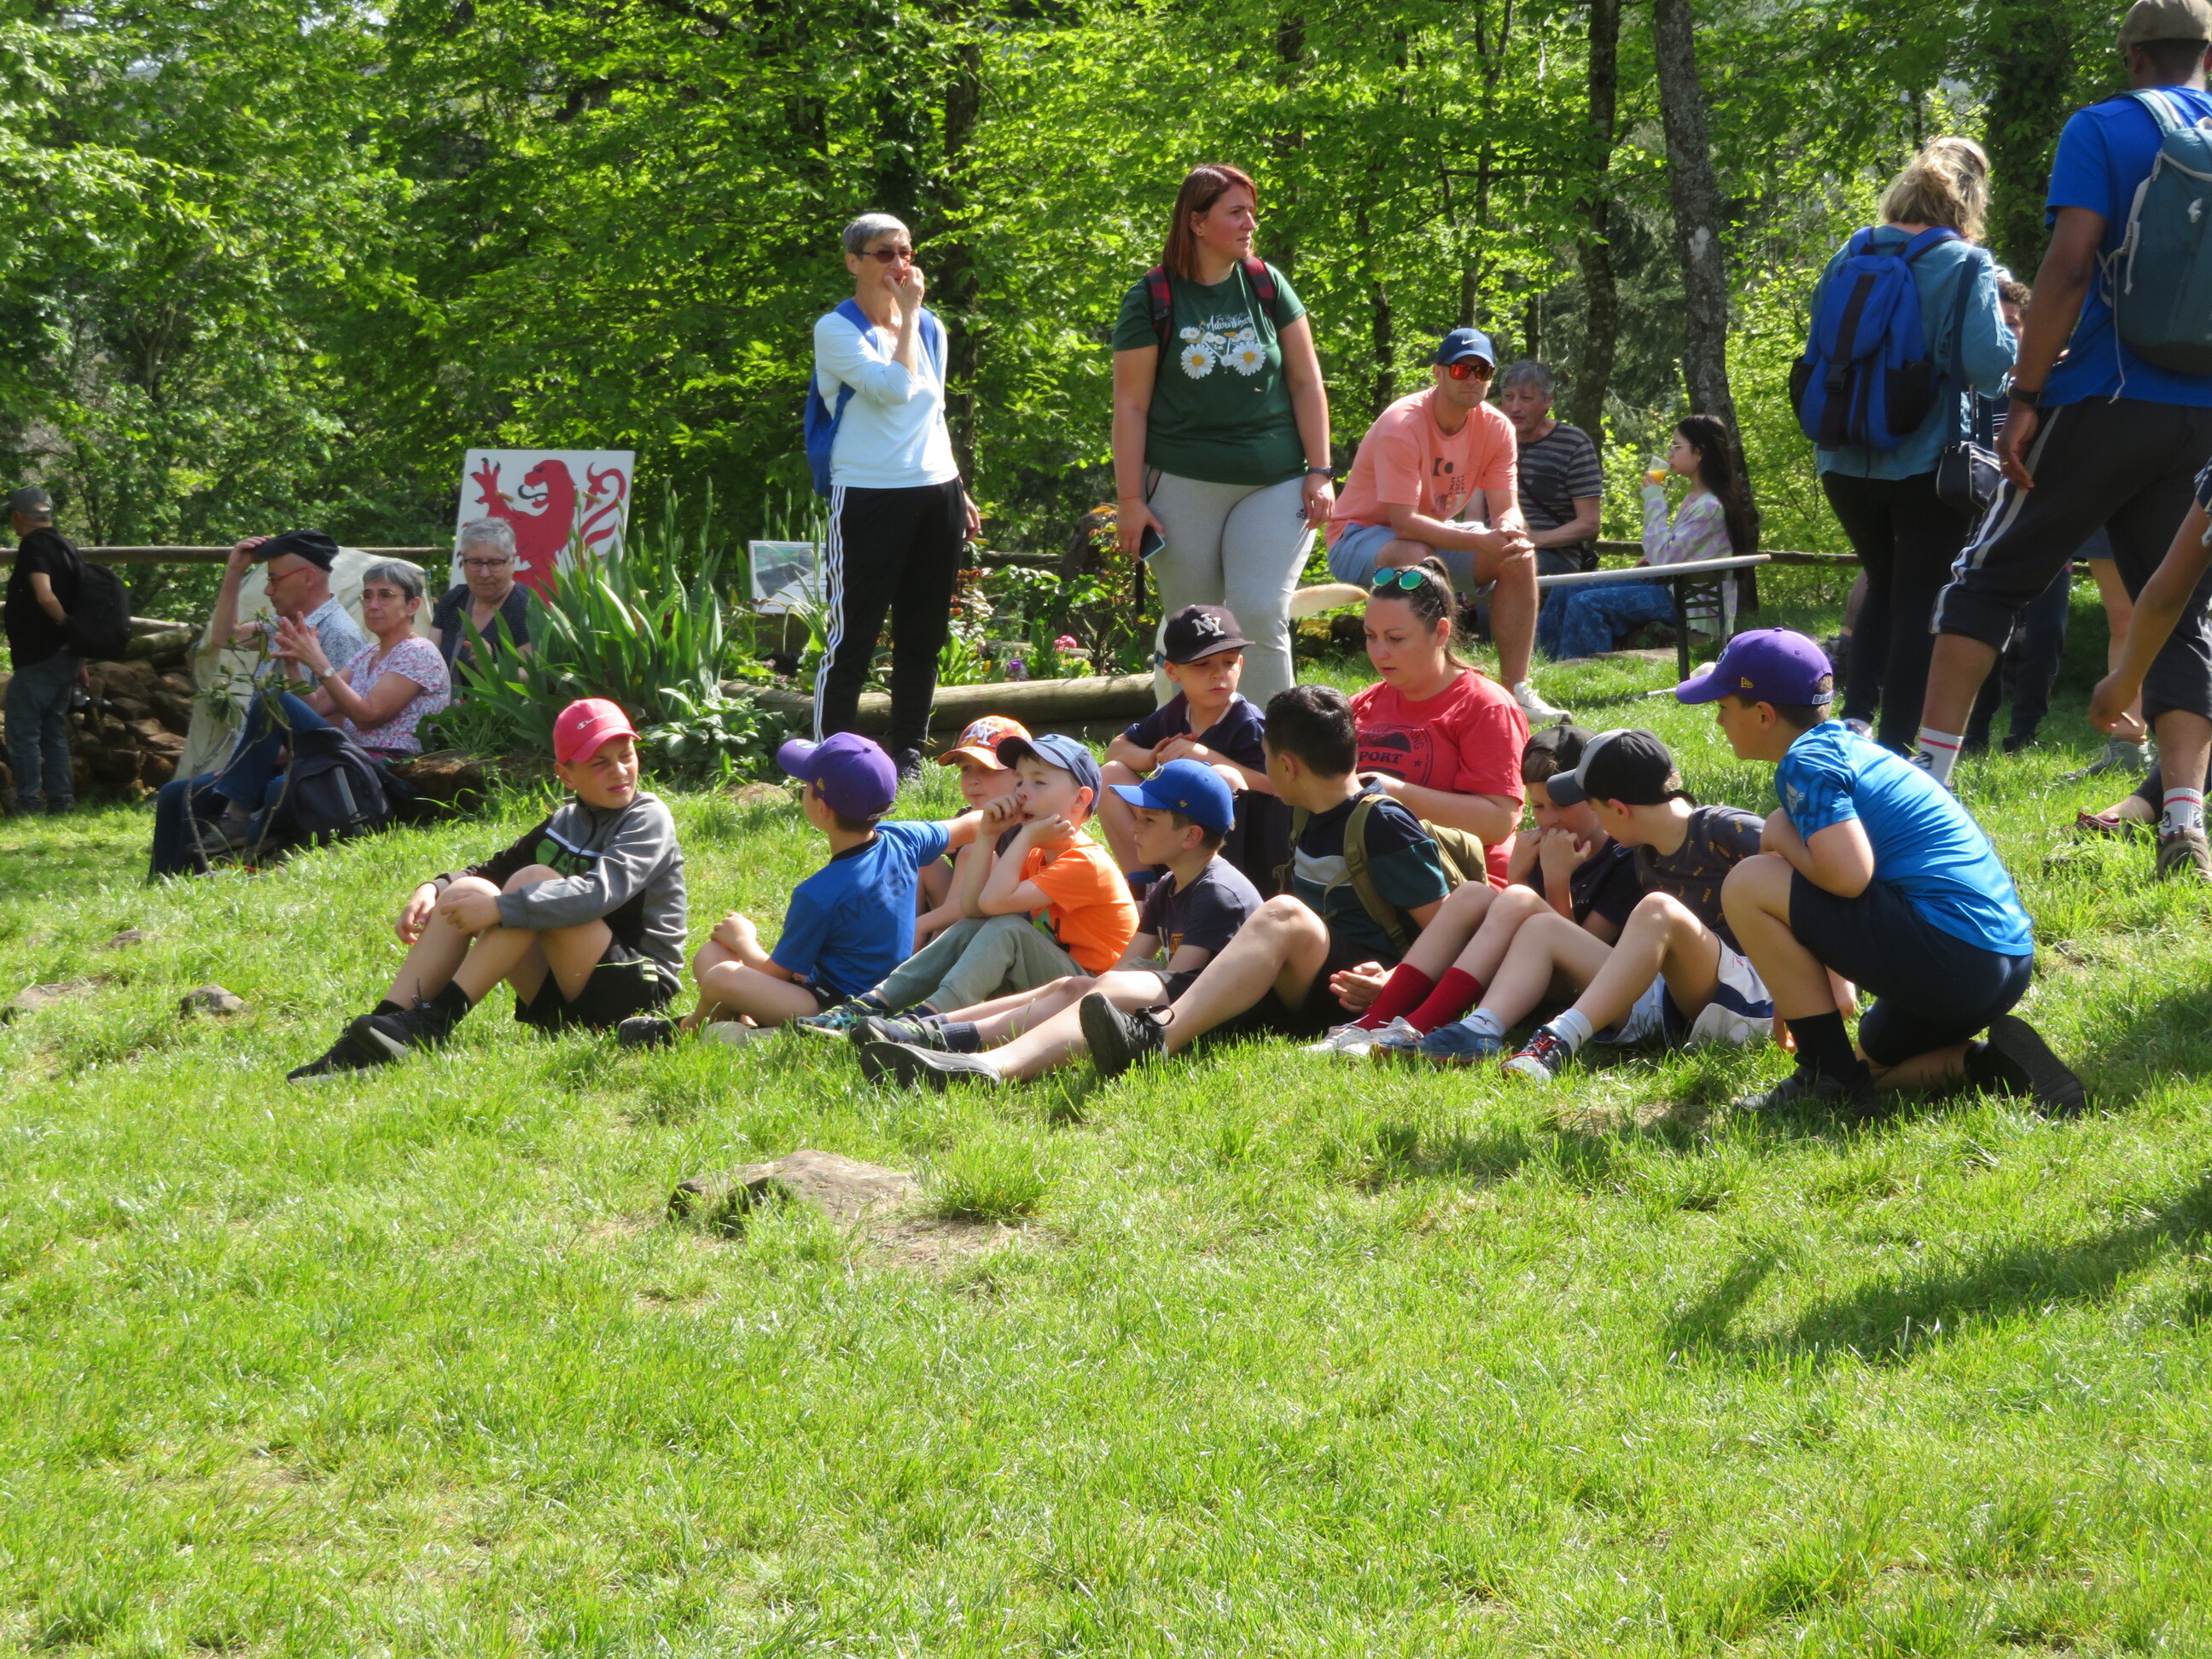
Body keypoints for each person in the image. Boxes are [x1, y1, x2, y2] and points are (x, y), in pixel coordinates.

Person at [1916, 1, 2212, 883]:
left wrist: (2025, 395)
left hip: (2102, 398)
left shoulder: (2104, 129)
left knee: (1986, 578)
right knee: (2183, 611)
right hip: (2201, 417)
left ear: (2132, 56)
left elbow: (2071, 262)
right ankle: (2185, 820)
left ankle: (1925, 794)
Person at [1699, 631, 2085, 1115]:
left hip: (1953, 955)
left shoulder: (1806, 761)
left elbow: (1848, 876)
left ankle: (1823, 1075)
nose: (1718, 719)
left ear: (1762, 715)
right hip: (2001, 960)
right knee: (1869, 1071)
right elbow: (1843, 881)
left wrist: (1778, 833)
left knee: (1748, 882)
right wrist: (1801, 991)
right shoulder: (1849, 747)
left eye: (1723, 706)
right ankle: (1994, 1067)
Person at [286, 700, 688, 1080]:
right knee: (469, 889)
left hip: (637, 994)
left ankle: (437, 1018)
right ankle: (378, 1033)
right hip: (564, 999)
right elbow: (492, 870)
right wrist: (434, 888)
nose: (619, 771)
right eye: (600, 763)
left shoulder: (648, 817)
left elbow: (600, 894)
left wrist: (502, 908)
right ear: (565, 775)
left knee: (530, 881)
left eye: (626, 756)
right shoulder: (566, 821)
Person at [1071, 684, 1448, 1075]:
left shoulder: (1384, 823)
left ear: (1287, 766)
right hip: (1311, 978)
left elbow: (1446, 929)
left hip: (1363, 993)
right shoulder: (1303, 813)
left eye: (1264, 756)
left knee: (1284, 913)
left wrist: (1391, 980)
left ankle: (1157, 1038)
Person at [852, 760, 1265, 1089]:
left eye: (1148, 820)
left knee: (1031, 948)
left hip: (1197, 1023)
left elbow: (1179, 990)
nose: (1133, 827)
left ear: (1191, 837)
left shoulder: (1217, 893)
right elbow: (1125, 968)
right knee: (1073, 986)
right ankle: (929, 1030)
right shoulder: (1171, 885)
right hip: (1138, 994)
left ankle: (941, 1036)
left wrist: (1099, 995)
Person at [1810, 137, 2015, 754]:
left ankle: (1855, 722)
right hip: (1926, 461)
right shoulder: (1967, 263)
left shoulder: (1852, 250)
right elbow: (1987, 366)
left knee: (1881, 582)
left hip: (1842, 455)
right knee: (1919, 602)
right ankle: (1896, 749)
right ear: (1970, 200)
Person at [1431, 728, 1780, 1080]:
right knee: (1543, 927)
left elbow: (1803, 889)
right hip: (1669, 1002)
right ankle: (1480, 1028)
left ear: (1618, 809)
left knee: (1658, 909)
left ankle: (1557, 1040)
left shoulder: (1726, 827)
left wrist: (1814, 992)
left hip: (1751, 1001)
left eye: (1595, 807)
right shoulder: (1643, 851)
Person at [1111, 164, 1332, 707]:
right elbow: (1131, 406)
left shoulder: (1266, 284)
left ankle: (1277, 748)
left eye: (1251, 212)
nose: (1250, 223)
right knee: (1192, 626)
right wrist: (1130, 501)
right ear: (1197, 222)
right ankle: (1185, 746)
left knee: (1258, 609)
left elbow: (1306, 383)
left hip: (1275, 479)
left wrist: (1321, 470)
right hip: (1180, 482)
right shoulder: (1152, 297)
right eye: (1236, 212)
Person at [622, 732, 989, 1049]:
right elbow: (972, 823)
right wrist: (1002, 813)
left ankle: (687, 1029)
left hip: (831, 1007)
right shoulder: (905, 838)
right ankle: (747, 1022)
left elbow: (776, 973)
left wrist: (744, 939)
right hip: (886, 992)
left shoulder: (818, 893)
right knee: (711, 955)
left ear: (822, 808)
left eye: (806, 787)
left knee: (719, 973)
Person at [1345, 723, 1645, 1062]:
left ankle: (1420, 1026)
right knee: (1472, 893)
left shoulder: (1623, 857)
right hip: (1526, 977)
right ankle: (1374, 1020)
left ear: (1595, 800)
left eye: (1561, 805)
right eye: (1539, 807)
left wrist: (1556, 880)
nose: (1550, 820)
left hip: (1588, 987)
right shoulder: (1540, 846)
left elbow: (1572, 962)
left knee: (1517, 898)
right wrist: (1518, 873)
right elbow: (1517, 928)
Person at [802, 732, 1138, 1024]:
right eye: (1019, 781)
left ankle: (928, 1018)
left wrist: (1022, 838)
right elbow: (974, 908)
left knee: (1008, 928)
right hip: (1051, 978)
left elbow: (993, 905)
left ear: (1080, 799)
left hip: (1092, 991)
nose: (1023, 792)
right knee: (974, 926)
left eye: (1039, 782)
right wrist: (988, 835)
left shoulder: (1083, 861)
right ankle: (873, 1003)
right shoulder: (1037, 852)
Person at [812, 212, 982, 782]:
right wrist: (907, 316)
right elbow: (894, 389)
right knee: (853, 638)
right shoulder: (837, 329)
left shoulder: (931, 326)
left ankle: (908, 755)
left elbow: (933, 413)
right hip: (868, 494)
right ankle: (830, 760)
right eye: (884, 253)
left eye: (906, 252)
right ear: (853, 262)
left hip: (936, 492)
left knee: (923, 636)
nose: (899, 264)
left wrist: (958, 486)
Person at [1324, 329, 1562, 723]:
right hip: (1357, 535)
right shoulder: (1402, 423)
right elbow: (1404, 523)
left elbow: (1507, 507)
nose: (1472, 378)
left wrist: (1509, 531)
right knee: (1416, 558)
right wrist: (1481, 543)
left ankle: (1515, 693)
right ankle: (1419, 690)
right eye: (1460, 369)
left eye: (1482, 371)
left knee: (1517, 557)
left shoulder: (1497, 427)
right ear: (1438, 373)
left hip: (1427, 535)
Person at [147, 531, 371, 876]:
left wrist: (254, 760)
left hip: (297, 769)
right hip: (254, 765)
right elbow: (223, 636)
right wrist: (234, 572)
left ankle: (205, 863)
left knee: (193, 797)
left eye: (274, 579)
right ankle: (165, 886)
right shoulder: (280, 625)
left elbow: (336, 728)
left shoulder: (339, 633)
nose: (268, 590)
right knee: (175, 794)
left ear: (308, 578)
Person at [1348, 558, 1529, 888]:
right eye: (1370, 636)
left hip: (1468, 885)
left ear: (1441, 632)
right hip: (1374, 877)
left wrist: (1391, 792)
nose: (1379, 652)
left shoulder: (1486, 706)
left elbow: (1499, 822)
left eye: (1395, 638)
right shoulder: (1361, 704)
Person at [1537, 414, 1753, 663]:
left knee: (1586, 603)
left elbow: (1665, 559)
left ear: (1700, 452)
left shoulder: (1710, 507)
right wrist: (1651, 558)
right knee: (1565, 589)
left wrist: (1654, 499)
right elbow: (1677, 551)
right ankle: (1543, 667)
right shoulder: (1696, 498)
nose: (1670, 453)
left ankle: (1578, 671)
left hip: (1690, 603)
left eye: (1677, 446)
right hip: (1671, 587)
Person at [1098, 603, 1269, 882]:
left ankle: (1217, 886)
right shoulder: (1177, 710)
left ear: (1240, 664)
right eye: (1202, 664)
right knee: (1111, 774)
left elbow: (1276, 788)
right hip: (1178, 834)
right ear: (1172, 671)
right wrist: (1153, 756)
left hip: (1243, 855)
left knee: (1224, 777)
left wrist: (1204, 756)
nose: (1219, 673)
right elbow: (1115, 750)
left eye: (1228, 662)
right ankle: (1143, 887)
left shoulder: (1248, 722)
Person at [4, 486, 83, 816]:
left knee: (22, 730)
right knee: (52, 731)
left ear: (19, 516)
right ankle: (62, 802)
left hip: (40, 654)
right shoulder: (68, 547)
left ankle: (29, 804)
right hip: (66, 655)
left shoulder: (34, 546)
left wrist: (65, 625)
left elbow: (45, 595)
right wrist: (77, 647)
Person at [917, 715, 1028, 942]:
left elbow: (984, 901)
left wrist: (921, 925)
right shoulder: (965, 817)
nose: (973, 779)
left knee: (970, 853)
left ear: (1021, 774)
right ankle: (900, 944)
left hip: (1009, 923)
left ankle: (931, 949)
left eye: (987, 769)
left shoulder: (1029, 824)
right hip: (966, 914)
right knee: (923, 860)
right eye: (966, 768)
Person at [1498, 360, 1605, 578]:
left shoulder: (1573, 443)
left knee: (1508, 568)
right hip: (1495, 547)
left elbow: (1589, 523)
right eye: (1509, 397)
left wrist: (1536, 539)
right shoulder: (1492, 438)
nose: (1515, 407)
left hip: (1555, 557)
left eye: (1526, 398)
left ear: (1548, 400)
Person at [429, 518, 533, 684]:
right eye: (475, 562)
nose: (484, 573)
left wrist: (490, 669)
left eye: (495, 563)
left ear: (512, 562)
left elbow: (535, 676)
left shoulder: (526, 608)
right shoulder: (453, 600)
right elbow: (429, 659)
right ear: (463, 562)